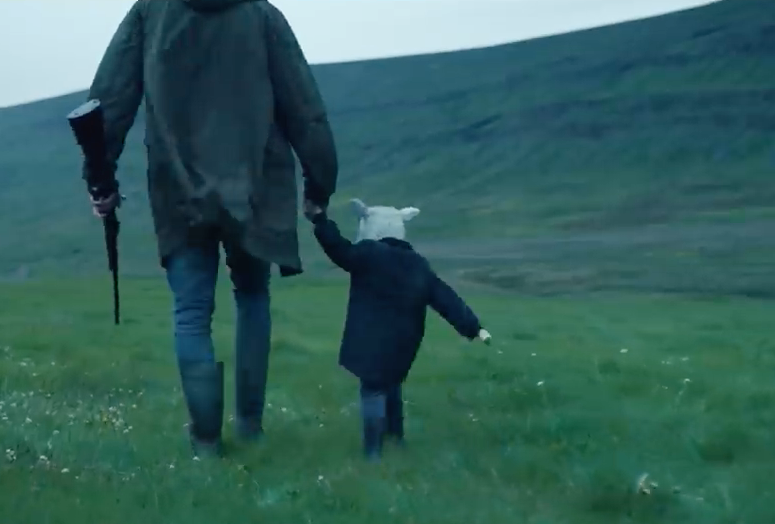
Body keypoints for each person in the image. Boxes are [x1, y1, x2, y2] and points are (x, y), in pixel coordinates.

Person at [84, 0, 338, 458]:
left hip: (177, 188)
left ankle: (205, 443)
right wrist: (320, 182)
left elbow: (109, 98)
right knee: (253, 298)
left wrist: (100, 180)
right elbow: (306, 107)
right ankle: (249, 429)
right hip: (255, 185)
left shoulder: (149, 13)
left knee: (191, 311)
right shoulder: (261, 15)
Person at [304, 199, 492, 461]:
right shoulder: (418, 264)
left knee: (372, 388)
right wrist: (474, 328)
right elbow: (445, 297)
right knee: (391, 384)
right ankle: (396, 440)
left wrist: (321, 221)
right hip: (404, 343)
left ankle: (373, 452)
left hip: (369, 339)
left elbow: (339, 249)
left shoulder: (369, 254)